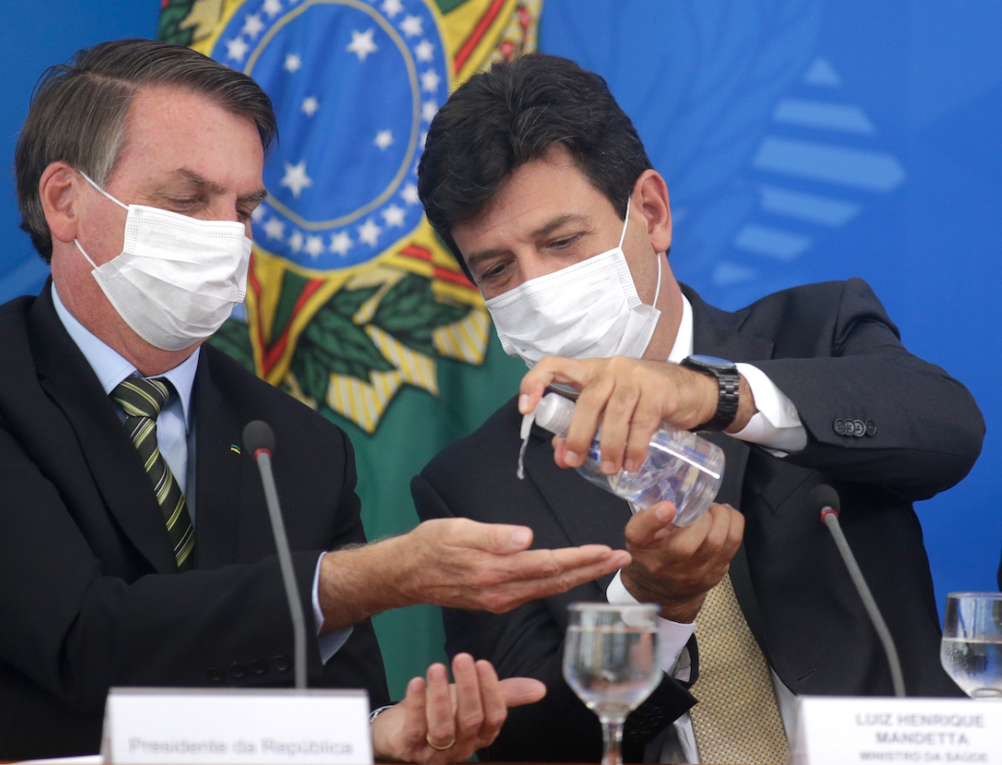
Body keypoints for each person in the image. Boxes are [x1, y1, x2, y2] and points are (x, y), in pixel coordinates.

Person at [0, 40, 632, 762]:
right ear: (66, 200)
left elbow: (334, 713)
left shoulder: (299, 445)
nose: (228, 235)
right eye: (188, 200)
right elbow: (86, 638)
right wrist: (367, 577)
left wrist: (381, 737)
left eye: (244, 208)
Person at [413, 53, 985, 764]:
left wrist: (714, 392)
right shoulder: (477, 483)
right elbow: (535, 740)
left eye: (561, 242)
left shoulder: (817, 330)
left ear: (650, 213)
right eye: (496, 269)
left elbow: (949, 429)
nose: (536, 286)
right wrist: (653, 604)